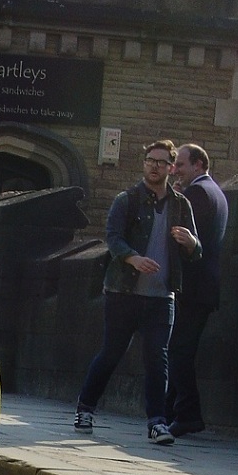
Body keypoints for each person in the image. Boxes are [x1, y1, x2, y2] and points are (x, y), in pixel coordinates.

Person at [73, 140, 201, 445]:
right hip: (123, 292)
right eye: (149, 161)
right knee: (111, 353)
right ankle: (85, 408)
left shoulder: (181, 205)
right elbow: (113, 238)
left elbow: (197, 252)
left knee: (158, 359)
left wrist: (190, 242)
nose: (153, 166)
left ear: (171, 168)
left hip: (162, 296)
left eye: (160, 162)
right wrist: (133, 258)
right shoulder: (126, 200)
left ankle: (157, 423)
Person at [165, 144, 228, 437]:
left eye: (180, 164)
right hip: (202, 288)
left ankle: (188, 414)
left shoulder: (197, 194)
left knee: (178, 351)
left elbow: (180, 240)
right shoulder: (215, 191)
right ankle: (168, 412)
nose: (175, 170)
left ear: (199, 164)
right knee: (179, 349)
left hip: (193, 288)